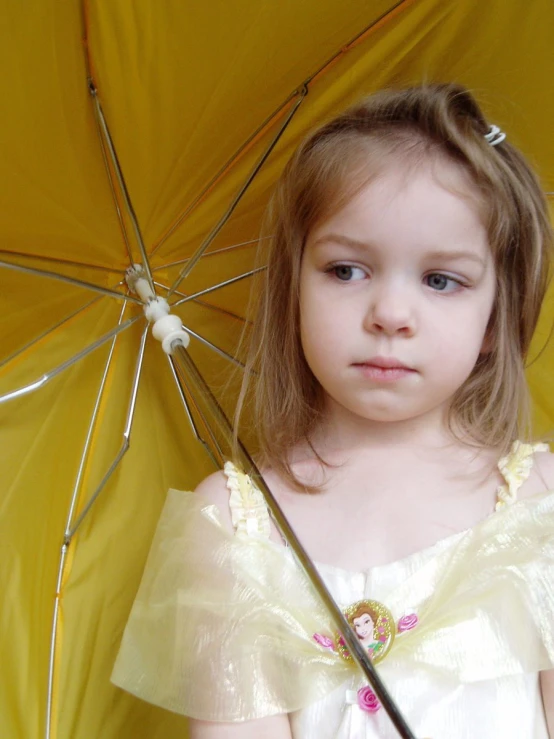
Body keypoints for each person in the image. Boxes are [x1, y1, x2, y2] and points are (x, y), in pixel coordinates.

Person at [112, 84, 554, 738]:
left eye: (441, 280)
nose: (391, 315)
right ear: (295, 285)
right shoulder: (233, 531)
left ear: (495, 313)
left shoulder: (539, 503)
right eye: (347, 270)